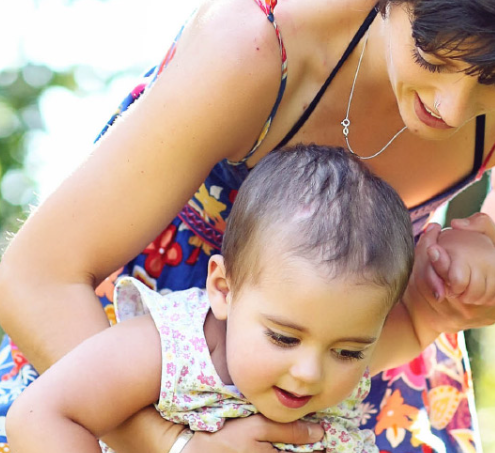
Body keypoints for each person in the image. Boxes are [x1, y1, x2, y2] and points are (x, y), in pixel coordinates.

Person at [0, 0, 495, 451]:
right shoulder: (257, 48)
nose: (449, 109)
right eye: (432, 58)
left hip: (359, 361)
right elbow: (36, 277)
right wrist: (175, 441)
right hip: (115, 353)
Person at [7, 144, 424, 453]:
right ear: (224, 289)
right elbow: (41, 414)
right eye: (283, 338)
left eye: (349, 352)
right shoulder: (176, 348)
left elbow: (422, 326)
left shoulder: (339, 356)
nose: (309, 372)